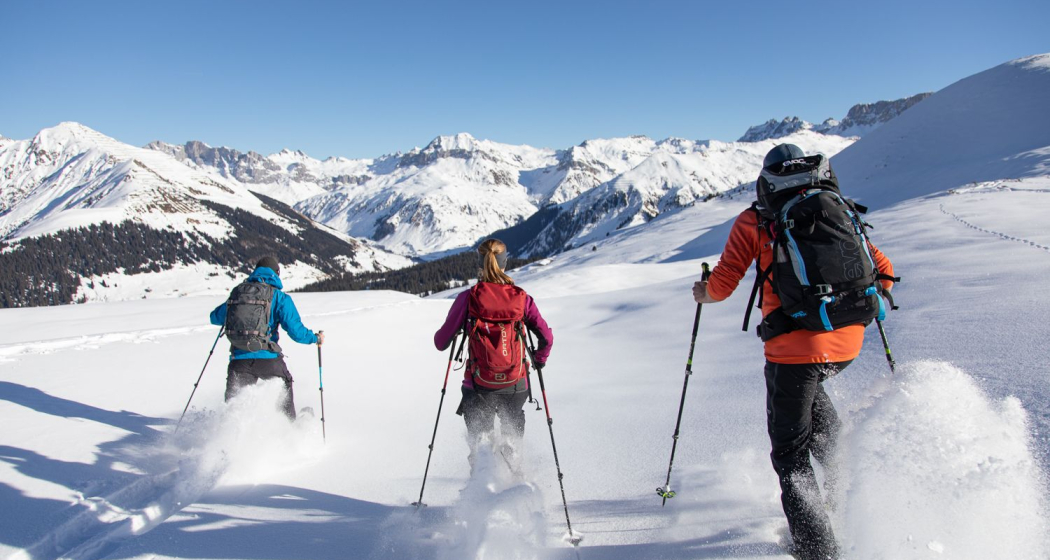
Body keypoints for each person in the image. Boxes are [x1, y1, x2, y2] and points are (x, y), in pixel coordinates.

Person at [692, 145, 895, 560]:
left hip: (792, 351)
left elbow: (722, 286)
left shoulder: (756, 219)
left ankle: (817, 550)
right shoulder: (835, 208)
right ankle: (844, 501)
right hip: (848, 343)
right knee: (821, 419)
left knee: (789, 455)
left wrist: (703, 292)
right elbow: (884, 273)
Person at [434, 239, 553, 472]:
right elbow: (546, 338)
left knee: (480, 445)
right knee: (513, 443)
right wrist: (539, 360)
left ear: (480, 263)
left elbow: (441, 342)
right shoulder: (522, 299)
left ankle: (481, 489)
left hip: (477, 385)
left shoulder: (468, 299)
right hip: (516, 383)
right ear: (505, 263)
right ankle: (517, 487)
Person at [209, 256, 324, 419]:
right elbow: (296, 332)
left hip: (239, 360)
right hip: (268, 359)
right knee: (284, 382)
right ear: (276, 273)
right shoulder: (279, 297)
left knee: (234, 410)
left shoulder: (239, 293)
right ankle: (288, 424)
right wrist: (315, 338)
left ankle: (230, 435)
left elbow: (215, 317)